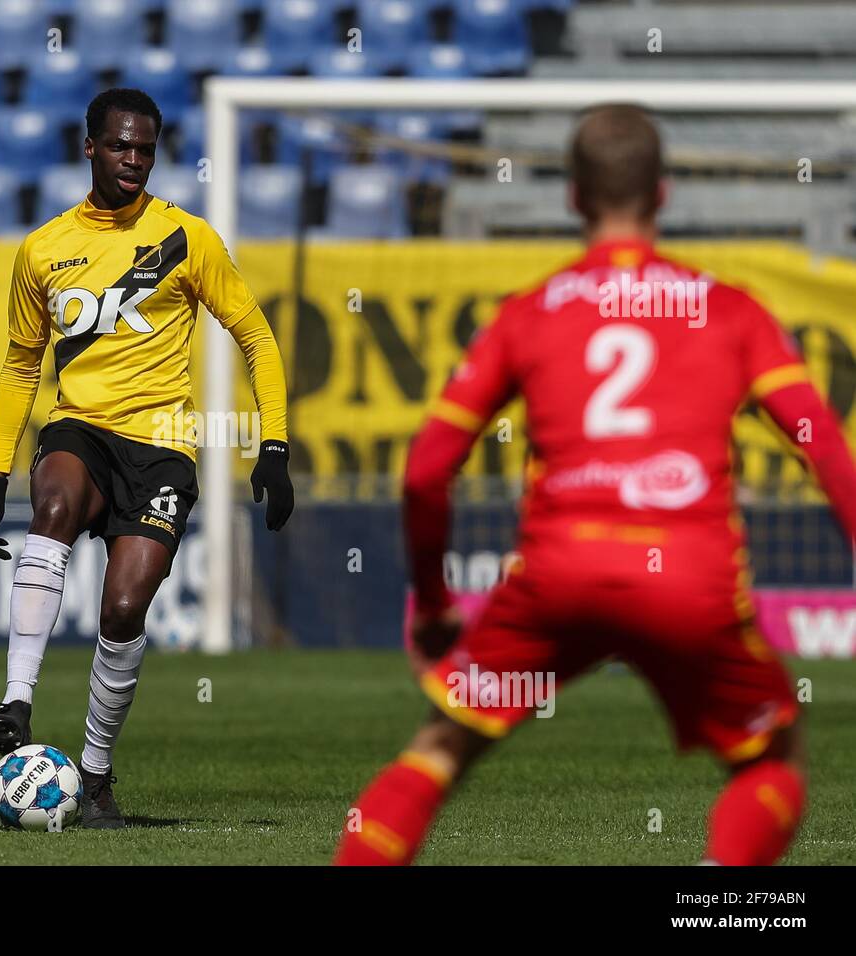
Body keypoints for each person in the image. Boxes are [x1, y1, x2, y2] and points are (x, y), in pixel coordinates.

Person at [334, 103, 856, 865]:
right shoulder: (732, 311)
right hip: (690, 579)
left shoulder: (529, 313)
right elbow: (826, 450)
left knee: (442, 748)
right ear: (664, 194)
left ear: (573, 196)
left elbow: (425, 470)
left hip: (557, 578)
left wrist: (437, 604)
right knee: (770, 756)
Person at [0, 88, 293, 829]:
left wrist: (273, 447)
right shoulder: (44, 249)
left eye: (146, 149)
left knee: (123, 610)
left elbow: (258, 338)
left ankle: (95, 777)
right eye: (120, 146)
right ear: (90, 146)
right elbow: (22, 366)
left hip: (163, 449)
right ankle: (16, 701)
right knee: (50, 508)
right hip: (79, 427)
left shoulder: (187, 238)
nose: (133, 161)